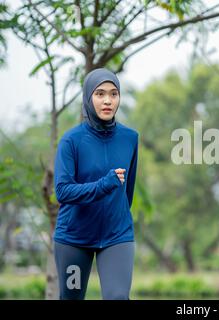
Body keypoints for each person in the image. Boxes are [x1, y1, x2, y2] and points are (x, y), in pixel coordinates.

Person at [53, 68, 139, 300]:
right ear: (89, 97)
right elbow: (62, 191)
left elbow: (126, 193)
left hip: (116, 235)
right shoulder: (71, 140)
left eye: (113, 94)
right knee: (71, 297)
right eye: (100, 94)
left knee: (118, 298)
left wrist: (115, 215)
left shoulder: (130, 138)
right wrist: (103, 185)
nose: (108, 100)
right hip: (74, 238)